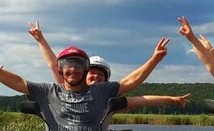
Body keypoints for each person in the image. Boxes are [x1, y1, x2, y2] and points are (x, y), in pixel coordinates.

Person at [0, 43, 181, 131]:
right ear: (61, 69)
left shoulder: (101, 92)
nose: (73, 69)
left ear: (85, 68)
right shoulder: (48, 91)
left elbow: (131, 83)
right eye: (67, 64)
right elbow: (18, 82)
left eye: (78, 64)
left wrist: (154, 59)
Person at [27, 21, 169, 89]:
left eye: (100, 75)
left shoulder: (105, 95)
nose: (96, 77)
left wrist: (154, 59)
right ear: (83, 73)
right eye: (92, 73)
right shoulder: (67, 88)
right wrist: (41, 40)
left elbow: (131, 82)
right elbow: (54, 65)